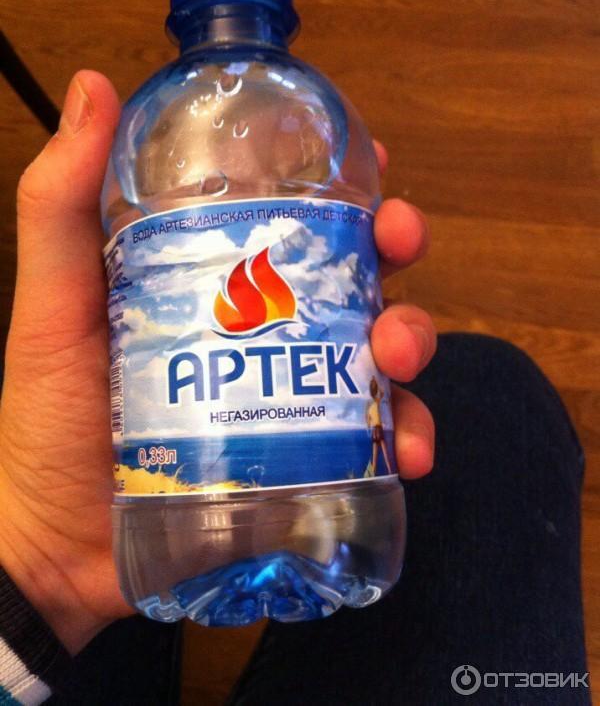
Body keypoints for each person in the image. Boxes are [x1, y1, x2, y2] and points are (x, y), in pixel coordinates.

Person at [0, 72, 588, 705]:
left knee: (470, 377)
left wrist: (38, 560)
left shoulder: (298, 104)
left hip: (80, 592)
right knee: (492, 384)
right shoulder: (196, 111)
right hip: (158, 538)